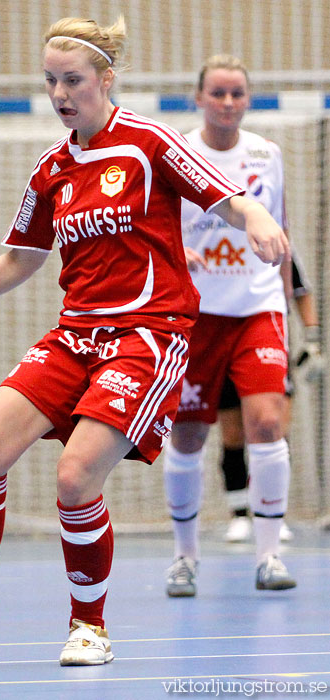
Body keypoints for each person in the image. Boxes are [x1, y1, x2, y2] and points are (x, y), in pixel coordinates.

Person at [0, 22, 288, 666]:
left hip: (148, 335)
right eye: (50, 80)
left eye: (72, 80)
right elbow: (20, 259)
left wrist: (258, 214)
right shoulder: (53, 166)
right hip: (76, 334)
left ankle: (89, 625)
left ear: (105, 80)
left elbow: (225, 197)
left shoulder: (147, 142)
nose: (60, 93)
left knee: (75, 478)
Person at [163, 54, 296, 597]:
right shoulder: (177, 154)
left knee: (266, 423)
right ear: (199, 98)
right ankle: (184, 557)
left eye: (237, 93)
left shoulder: (267, 155)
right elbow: (157, 226)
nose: (227, 102)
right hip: (195, 316)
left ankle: (268, 556)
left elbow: (280, 229)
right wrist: (178, 257)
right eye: (217, 93)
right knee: (189, 433)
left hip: (257, 308)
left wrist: (288, 304)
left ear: (248, 99)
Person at [221, 252, 324, 543]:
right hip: (224, 346)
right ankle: (239, 514)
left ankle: (273, 513)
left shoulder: (278, 246)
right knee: (232, 435)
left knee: (273, 429)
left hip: (268, 343)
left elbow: (301, 293)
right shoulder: (214, 244)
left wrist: (313, 341)